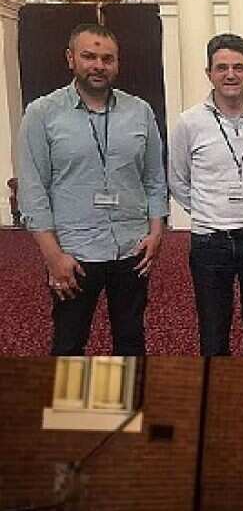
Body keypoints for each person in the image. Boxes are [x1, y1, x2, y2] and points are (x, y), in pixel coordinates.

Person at [17, 23, 167, 355]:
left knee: (131, 339)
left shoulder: (139, 111)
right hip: (73, 253)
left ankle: (128, 406)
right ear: (70, 59)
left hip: (132, 249)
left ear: (117, 64)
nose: (98, 65)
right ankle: (72, 408)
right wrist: (53, 256)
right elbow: (33, 190)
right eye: (89, 56)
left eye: (107, 58)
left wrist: (156, 232)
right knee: (70, 342)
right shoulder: (42, 113)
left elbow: (155, 179)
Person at [169, 33, 243, 356]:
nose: (230, 75)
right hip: (209, 241)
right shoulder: (188, 122)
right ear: (209, 73)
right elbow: (178, 179)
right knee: (213, 334)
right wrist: (208, 210)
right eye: (221, 68)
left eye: (238, 67)